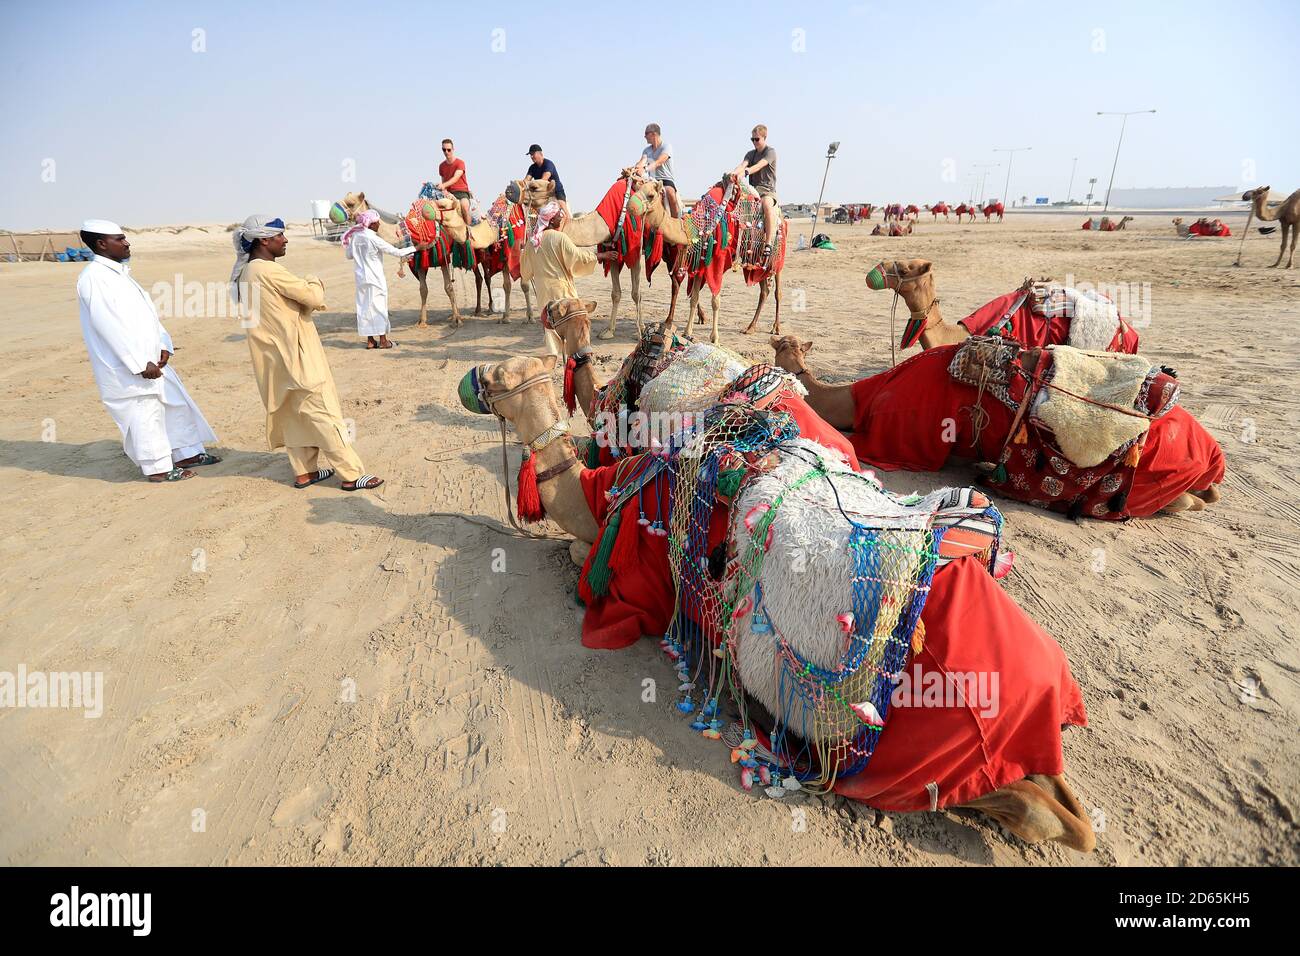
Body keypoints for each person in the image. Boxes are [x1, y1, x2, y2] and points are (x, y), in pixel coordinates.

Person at [230, 214, 383, 492]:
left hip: (273, 362)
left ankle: (305, 473)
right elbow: (313, 298)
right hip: (297, 356)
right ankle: (350, 474)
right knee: (324, 412)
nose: (285, 240)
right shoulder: (268, 270)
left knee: (294, 415)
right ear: (264, 240)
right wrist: (314, 280)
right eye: (280, 236)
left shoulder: (246, 273)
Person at [76, 219, 219, 483]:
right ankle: (159, 469)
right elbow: (110, 327)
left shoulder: (119, 275)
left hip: (153, 360)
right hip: (133, 367)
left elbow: (147, 317)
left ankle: (186, 453)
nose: (126, 242)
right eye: (119, 239)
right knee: (145, 415)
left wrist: (164, 343)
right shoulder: (94, 279)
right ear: (101, 244)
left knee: (175, 404)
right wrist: (140, 363)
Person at [342, 210, 415, 350]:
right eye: (377, 222)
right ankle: (383, 341)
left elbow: (349, 255)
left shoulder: (356, 237)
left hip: (361, 279)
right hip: (375, 278)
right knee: (379, 307)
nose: (379, 224)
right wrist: (417, 247)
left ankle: (370, 341)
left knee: (364, 307)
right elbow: (396, 252)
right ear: (371, 224)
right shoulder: (373, 238)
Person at [520, 202, 599, 307]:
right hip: (562, 295)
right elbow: (578, 257)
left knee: (549, 322)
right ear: (551, 220)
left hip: (543, 299)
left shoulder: (532, 242)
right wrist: (600, 255)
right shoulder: (560, 238)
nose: (561, 218)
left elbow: (525, 272)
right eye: (558, 215)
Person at [731, 124, 779, 258]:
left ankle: (768, 243)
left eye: (757, 139)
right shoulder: (750, 154)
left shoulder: (770, 152)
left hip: (766, 190)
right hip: (752, 190)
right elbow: (742, 165)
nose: (754, 142)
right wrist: (733, 174)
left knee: (767, 206)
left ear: (764, 137)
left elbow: (759, 165)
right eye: (752, 139)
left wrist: (746, 172)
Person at [634, 123, 679, 218]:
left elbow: (659, 162)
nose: (644, 136)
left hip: (666, 180)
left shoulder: (666, 146)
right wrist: (635, 168)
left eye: (646, 134)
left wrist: (645, 169)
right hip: (651, 180)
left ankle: (677, 222)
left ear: (653, 134)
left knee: (670, 193)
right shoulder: (646, 150)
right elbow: (642, 161)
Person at [436, 138, 474, 236]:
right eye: (444, 150)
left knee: (464, 206)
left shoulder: (460, 163)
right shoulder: (441, 166)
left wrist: (443, 185)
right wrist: (444, 190)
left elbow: (455, 178)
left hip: (462, 192)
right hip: (449, 194)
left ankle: (469, 231)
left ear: (453, 149)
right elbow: (443, 181)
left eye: (448, 149)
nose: (446, 152)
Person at [525, 144, 569, 219]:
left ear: (540, 154)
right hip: (543, 194)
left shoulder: (548, 164)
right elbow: (525, 181)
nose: (531, 157)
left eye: (533, 154)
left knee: (563, 207)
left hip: (556, 191)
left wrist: (531, 185)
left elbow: (544, 180)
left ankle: (569, 219)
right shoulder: (532, 168)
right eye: (530, 155)